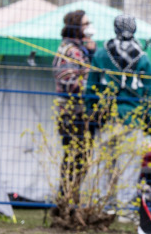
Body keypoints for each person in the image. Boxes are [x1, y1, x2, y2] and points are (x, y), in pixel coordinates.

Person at [83, 15, 151, 205]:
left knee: (102, 164)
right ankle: (124, 207)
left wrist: (91, 111)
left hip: (105, 117)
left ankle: (100, 204)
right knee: (128, 167)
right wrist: (149, 118)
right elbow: (149, 92)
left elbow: (91, 86)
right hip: (132, 119)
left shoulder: (101, 54)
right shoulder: (143, 58)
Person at [52, 10, 96, 202]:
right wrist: (92, 88)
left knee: (81, 157)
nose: (89, 28)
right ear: (77, 27)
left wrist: (92, 52)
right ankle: (67, 197)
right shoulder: (70, 50)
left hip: (81, 112)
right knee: (74, 156)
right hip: (72, 112)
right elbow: (68, 80)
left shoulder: (81, 49)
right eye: (86, 24)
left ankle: (71, 195)